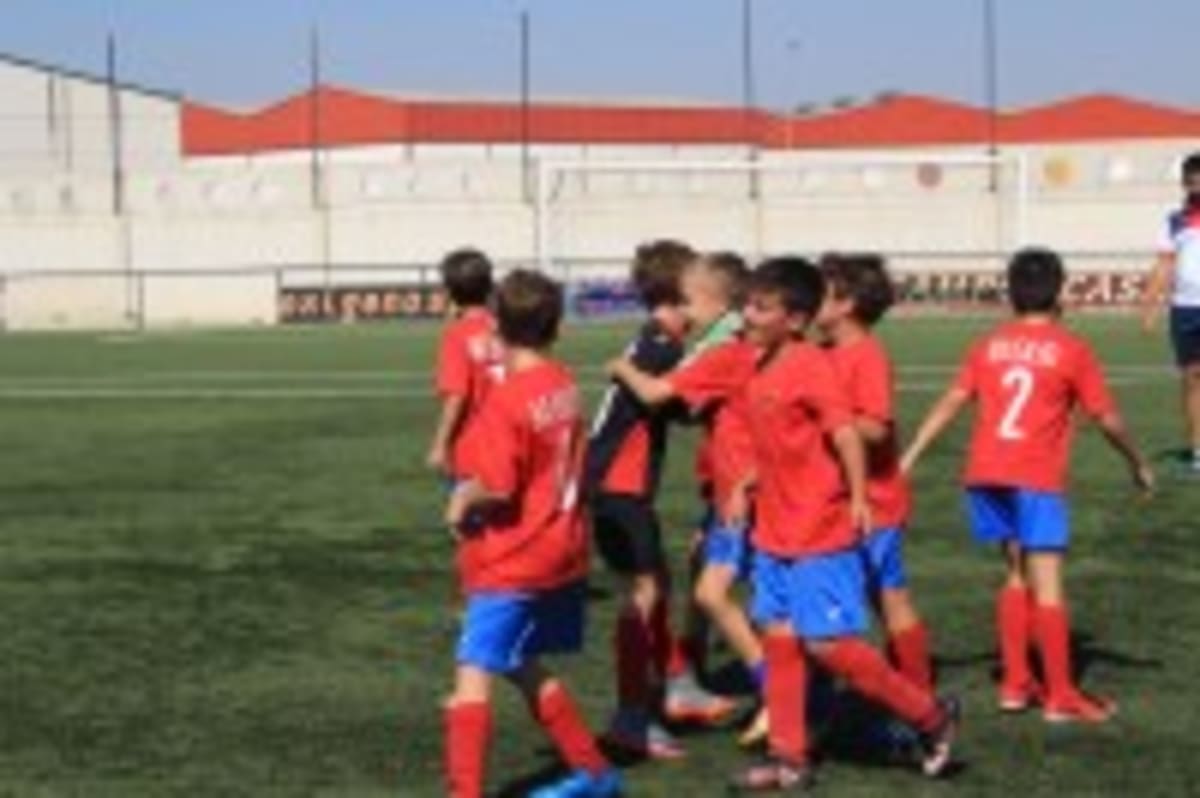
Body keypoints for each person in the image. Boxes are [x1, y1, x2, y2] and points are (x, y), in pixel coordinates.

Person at [729, 258, 958, 791]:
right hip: (774, 530)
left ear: (794, 318)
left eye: (761, 306)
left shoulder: (813, 365)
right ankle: (789, 758)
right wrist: (749, 481)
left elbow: (851, 433)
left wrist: (857, 495)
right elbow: (784, 443)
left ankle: (931, 716)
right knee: (780, 643)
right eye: (749, 303)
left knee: (828, 644)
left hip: (818, 527)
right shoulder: (765, 363)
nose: (748, 314)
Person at [904, 247, 1154, 723]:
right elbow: (1107, 418)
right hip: (1034, 475)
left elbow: (952, 401)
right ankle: (1061, 695)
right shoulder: (1070, 349)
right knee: (1049, 586)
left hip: (985, 472)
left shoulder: (988, 344)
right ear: (1059, 290)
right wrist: (1137, 460)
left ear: (1010, 292)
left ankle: (1016, 685)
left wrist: (912, 454)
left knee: (1016, 573)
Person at [442, 270, 621, 798]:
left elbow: (497, 486)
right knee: (519, 662)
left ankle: (464, 791)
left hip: (513, 554)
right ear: (558, 327)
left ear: (494, 326)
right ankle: (593, 770)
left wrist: (460, 499)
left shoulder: (508, 399)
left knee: (472, 674)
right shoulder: (563, 382)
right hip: (561, 546)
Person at [606, 253, 765, 742]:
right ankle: (684, 683)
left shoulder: (720, 349)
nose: (686, 310)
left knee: (697, 592)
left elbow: (659, 395)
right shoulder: (729, 344)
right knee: (695, 576)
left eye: (690, 300)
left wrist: (621, 369)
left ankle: (778, 693)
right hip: (725, 488)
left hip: (740, 490)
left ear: (715, 302)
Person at [588, 241, 734, 760]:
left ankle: (676, 684)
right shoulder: (662, 348)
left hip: (614, 486)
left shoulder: (653, 341)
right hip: (616, 488)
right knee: (645, 593)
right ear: (678, 298)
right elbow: (679, 400)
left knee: (656, 584)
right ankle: (632, 717)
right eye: (693, 297)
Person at [817, 254, 933, 692]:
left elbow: (875, 426)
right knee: (872, 596)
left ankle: (916, 691)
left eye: (820, 293)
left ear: (845, 304)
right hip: (835, 498)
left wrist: (826, 423)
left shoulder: (866, 357)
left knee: (888, 596)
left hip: (874, 501)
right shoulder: (820, 352)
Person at [1141, 152, 1200, 472]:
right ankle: (1197, 451)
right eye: (1191, 179)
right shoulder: (1175, 220)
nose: (1196, 184)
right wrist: (1150, 304)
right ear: (1185, 183)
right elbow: (1164, 265)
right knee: (1191, 379)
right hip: (1184, 309)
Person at [426, 248, 503, 480]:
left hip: (475, 447)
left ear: (449, 292)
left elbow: (456, 395)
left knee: (467, 511)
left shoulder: (457, 336)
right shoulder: (506, 327)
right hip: (510, 437)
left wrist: (440, 444)